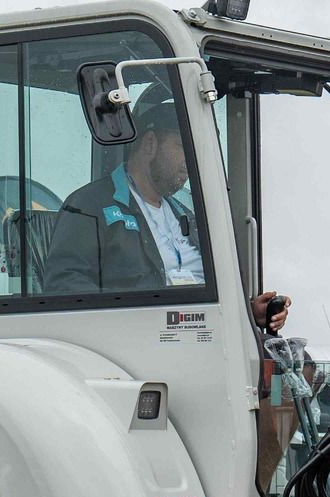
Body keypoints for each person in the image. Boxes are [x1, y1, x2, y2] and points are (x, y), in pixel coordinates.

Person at [41, 97, 287, 331]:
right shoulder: (90, 205)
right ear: (150, 144)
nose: (188, 162)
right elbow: (64, 285)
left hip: (202, 336)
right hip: (139, 342)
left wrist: (247, 312)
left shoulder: (187, 215)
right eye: (181, 147)